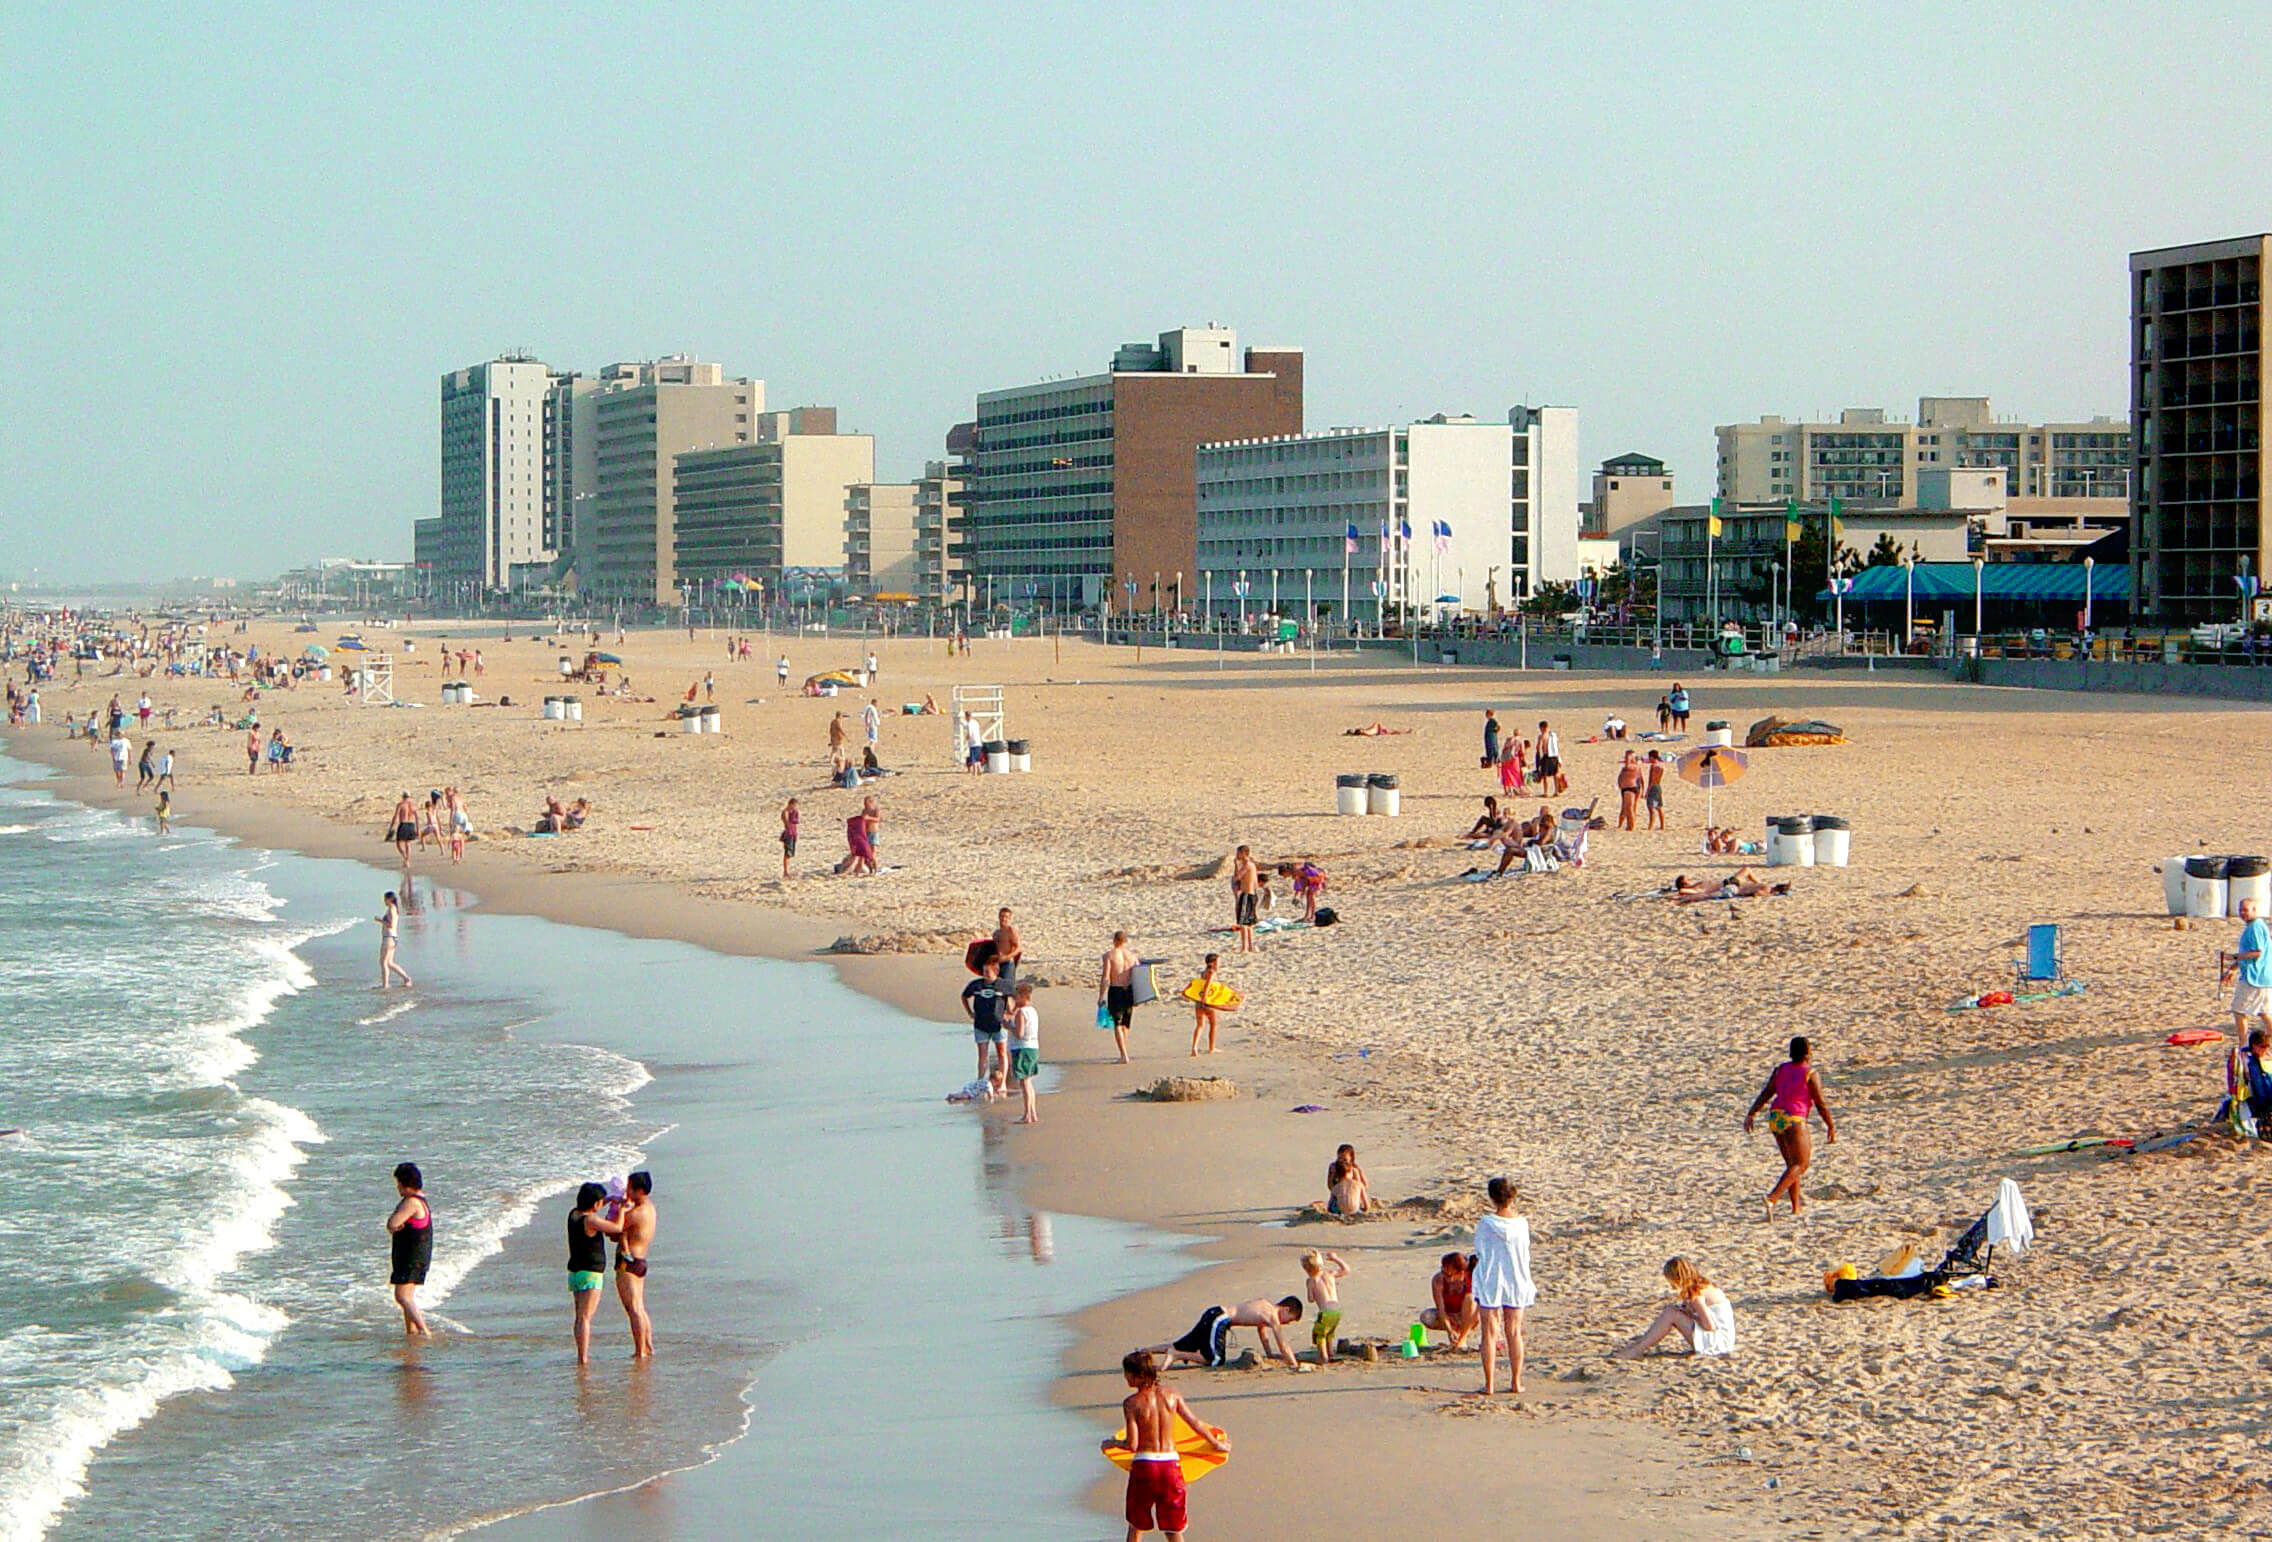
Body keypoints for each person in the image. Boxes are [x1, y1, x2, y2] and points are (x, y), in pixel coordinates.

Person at [1101, 1352, 1228, 1542]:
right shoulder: (1172, 1395)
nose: (1125, 1377)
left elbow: (1132, 1444)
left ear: (1139, 1376)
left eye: (1127, 1373)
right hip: (1171, 1467)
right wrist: (1217, 1444)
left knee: (1136, 1525)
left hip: (1145, 1467)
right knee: (1173, 1528)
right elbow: (1194, 1423)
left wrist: (1110, 1443)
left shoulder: (1131, 1403)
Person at [1744, 1036, 1837, 1218]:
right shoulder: (1810, 1073)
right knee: (1801, 1164)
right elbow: (1820, 1102)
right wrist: (1830, 1125)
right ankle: (1773, 1197)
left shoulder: (1780, 1070)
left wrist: (1752, 1113)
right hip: (1794, 1118)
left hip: (1776, 1117)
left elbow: (1767, 1093)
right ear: (1808, 1053)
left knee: (1791, 1165)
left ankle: (1796, 1207)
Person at [1471, 1176, 1536, 1395]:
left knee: (1489, 1333)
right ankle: (1516, 1382)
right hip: (1516, 1277)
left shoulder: (1486, 1223)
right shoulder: (1522, 1223)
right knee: (1514, 1332)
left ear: (1492, 1198)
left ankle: (1489, 1384)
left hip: (1491, 1278)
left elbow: (1479, 1250)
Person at [1614, 1257, 1737, 1359]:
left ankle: (1637, 1349)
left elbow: (1710, 1326)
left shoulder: (1697, 1294)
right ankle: (1637, 1346)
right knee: (1672, 1311)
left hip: (1718, 1343)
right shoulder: (1704, 1285)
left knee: (1670, 1313)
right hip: (1722, 1339)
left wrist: (1690, 1315)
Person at [1143, 1296, 1305, 1369]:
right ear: (1286, 1309)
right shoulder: (1272, 1316)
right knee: (1215, 1360)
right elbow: (1283, 1344)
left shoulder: (1265, 1305)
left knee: (1184, 1343)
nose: (1285, 1323)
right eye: (1288, 1319)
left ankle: (1142, 1352)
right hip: (1220, 1319)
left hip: (1214, 1314)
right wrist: (1293, 1364)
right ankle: (1176, 1355)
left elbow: (1262, 1331)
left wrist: (1269, 1354)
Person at [567, 1181, 626, 1365]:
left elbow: (593, 1207)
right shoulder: (591, 1221)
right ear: (595, 1204)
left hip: (575, 1272)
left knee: (579, 1317)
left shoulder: (573, 1215)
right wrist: (622, 1210)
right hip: (591, 1273)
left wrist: (610, 1199)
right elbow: (616, 1228)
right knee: (586, 1317)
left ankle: (581, 1353)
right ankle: (583, 1357)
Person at [385, 1162, 433, 1338]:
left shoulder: (411, 1202)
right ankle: (411, 1333)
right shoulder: (421, 1201)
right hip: (417, 1255)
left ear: (405, 1183)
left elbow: (392, 1223)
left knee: (402, 1297)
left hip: (411, 1257)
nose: (397, 1188)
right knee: (408, 1296)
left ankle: (425, 1331)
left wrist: (393, 1224)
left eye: (398, 1183)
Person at [615, 1170, 656, 1358]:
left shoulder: (636, 1213)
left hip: (628, 1262)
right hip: (640, 1260)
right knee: (640, 1306)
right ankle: (647, 1345)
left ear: (639, 1190)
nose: (627, 1193)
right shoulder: (650, 1208)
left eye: (630, 1189)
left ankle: (640, 1350)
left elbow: (614, 1230)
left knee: (633, 1308)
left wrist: (620, 1210)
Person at [2224, 898, 2272, 1045]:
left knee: (2239, 1010)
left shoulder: (2255, 927)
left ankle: (2244, 1044)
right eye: (2240, 910)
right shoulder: (2255, 926)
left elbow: (2257, 952)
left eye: (2246, 910)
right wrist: (2232, 968)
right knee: (2264, 1012)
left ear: (2254, 910)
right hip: (2263, 977)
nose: (2242, 913)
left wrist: (2233, 956)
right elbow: (2248, 952)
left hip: (2255, 978)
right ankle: (2266, 1044)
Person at [963, 956, 1010, 1093]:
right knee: (982, 1054)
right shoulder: (976, 985)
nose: (985, 974)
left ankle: (1002, 1083)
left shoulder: (1003, 985)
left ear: (995, 971)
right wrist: (970, 1012)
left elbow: (1012, 997)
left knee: (1002, 1053)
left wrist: (1010, 1012)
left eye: (988, 972)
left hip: (998, 1024)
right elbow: (964, 996)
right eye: (983, 971)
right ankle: (981, 1081)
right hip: (981, 1025)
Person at [1098, 931, 1142, 1064]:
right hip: (1129, 990)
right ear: (1125, 941)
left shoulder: (1109, 956)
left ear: (1114, 940)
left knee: (1117, 1023)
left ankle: (1123, 1055)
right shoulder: (1133, 957)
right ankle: (1124, 1052)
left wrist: (1101, 996)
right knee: (1125, 1024)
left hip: (1116, 989)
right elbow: (1139, 977)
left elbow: (1106, 977)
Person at [1421, 1252, 1479, 1350]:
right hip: (1450, 1314)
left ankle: (1463, 1338)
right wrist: (1449, 1331)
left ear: (1461, 1273)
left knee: (1470, 1299)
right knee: (1426, 1317)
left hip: (1469, 1316)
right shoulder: (1438, 1280)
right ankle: (1455, 1336)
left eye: (1449, 1275)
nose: (1447, 1278)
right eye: (1443, 1272)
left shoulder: (1470, 1278)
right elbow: (1441, 1309)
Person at [1302, 1250, 1351, 1363]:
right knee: (1329, 1332)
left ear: (1306, 1268)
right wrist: (1335, 1258)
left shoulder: (1312, 1280)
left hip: (1325, 1311)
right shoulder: (1329, 1274)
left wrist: (1309, 1288)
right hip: (1337, 1310)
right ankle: (1330, 1352)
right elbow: (1346, 1270)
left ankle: (1324, 1357)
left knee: (1320, 1335)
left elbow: (1310, 1299)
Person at [1006, 981, 1042, 1125]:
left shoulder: (1022, 1012)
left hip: (1023, 1048)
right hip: (1033, 1047)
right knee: (1028, 1082)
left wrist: (1008, 1026)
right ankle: (1031, 1113)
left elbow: (1020, 1034)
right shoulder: (1033, 1011)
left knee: (1025, 1082)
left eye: (1016, 997)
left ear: (1022, 996)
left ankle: (1028, 1114)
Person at [1190, 953, 1225, 1056]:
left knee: (1200, 1025)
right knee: (1214, 1024)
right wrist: (1205, 998)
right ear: (1212, 963)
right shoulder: (1211, 973)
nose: (1219, 965)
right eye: (1218, 962)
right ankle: (1211, 1048)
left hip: (1198, 1001)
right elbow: (1207, 985)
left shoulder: (1203, 972)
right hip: (1207, 1002)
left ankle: (1194, 1047)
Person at [377, 891, 413, 988]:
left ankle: (385, 984)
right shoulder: (393, 909)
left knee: (383, 962)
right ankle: (406, 978)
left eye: (385, 899)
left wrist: (380, 920)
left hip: (389, 937)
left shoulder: (392, 909)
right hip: (391, 938)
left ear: (389, 899)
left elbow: (391, 925)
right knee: (389, 962)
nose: (384, 901)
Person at [1326, 1143, 1370, 1215]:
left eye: (1345, 1159)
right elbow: (1330, 1187)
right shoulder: (1333, 1167)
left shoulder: (1354, 1169)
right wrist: (1332, 1175)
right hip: (1338, 1193)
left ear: (1351, 1158)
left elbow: (1364, 1186)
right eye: (1339, 1158)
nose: (1342, 1162)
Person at [1230, 845, 1259, 953]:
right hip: (1252, 894)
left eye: (1239, 853)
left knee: (1243, 923)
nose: (1237, 855)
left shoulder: (1247, 865)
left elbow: (1237, 877)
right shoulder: (1252, 865)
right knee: (1249, 923)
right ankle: (1250, 946)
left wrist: (1235, 866)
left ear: (1244, 853)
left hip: (1247, 895)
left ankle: (1244, 947)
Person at [992, 906, 1023, 988]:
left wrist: (1007, 957)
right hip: (997, 963)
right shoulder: (996, 933)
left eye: (1006, 917)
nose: (1004, 919)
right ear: (999, 917)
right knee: (998, 988)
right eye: (1002, 916)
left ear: (1009, 919)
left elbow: (1019, 948)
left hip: (1008, 963)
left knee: (1008, 988)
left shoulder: (1011, 930)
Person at [1534, 720, 1565, 797]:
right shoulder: (1552, 735)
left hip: (1547, 756)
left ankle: (1546, 792)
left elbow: (1538, 747)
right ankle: (1556, 791)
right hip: (1554, 756)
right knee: (1554, 774)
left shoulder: (1542, 736)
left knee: (1545, 776)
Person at [1615, 750, 1642, 831]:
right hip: (1625, 788)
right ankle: (1621, 825)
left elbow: (1628, 765)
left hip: (1630, 788)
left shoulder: (1633, 766)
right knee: (1625, 808)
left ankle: (1630, 826)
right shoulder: (1629, 767)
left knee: (1629, 808)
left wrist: (1629, 756)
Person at [389, 792, 419, 865]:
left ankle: (405, 858)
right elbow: (417, 818)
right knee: (407, 843)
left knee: (398, 843)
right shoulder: (413, 805)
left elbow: (395, 816)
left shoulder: (401, 804)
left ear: (402, 797)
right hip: (411, 824)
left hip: (403, 823)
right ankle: (407, 859)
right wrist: (417, 829)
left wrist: (392, 826)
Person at [444, 786, 470, 863]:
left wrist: (451, 820)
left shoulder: (453, 798)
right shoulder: (461, 798)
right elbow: (465, 808)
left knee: (454, 832)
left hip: (457, 814)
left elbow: (453, 809)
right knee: (461, 834)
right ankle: (462, 852)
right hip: (464, 815)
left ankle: (454, 854)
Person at [1644, 749, 1667, 830]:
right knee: (1659, 807)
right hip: (1658, 786)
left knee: (1651, 807)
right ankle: (1662, 825)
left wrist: (1647, 792)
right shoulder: (1661, 766)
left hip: (1653, 787)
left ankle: (1650, 826)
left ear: (1652, 757)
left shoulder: (1653, 766)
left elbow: (1651, 780)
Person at [779, 796, 800, 878]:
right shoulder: (786, 812)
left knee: (791, 853)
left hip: (793, 833)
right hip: (788, 833)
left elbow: (796, 821)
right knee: (787, 853)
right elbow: (787, 822)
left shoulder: (793, 812)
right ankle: (785, 871)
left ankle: (787, 871)